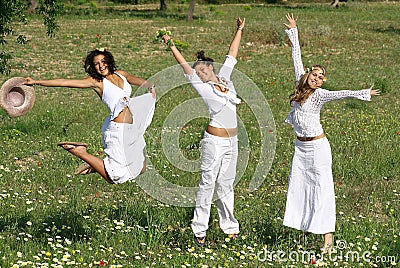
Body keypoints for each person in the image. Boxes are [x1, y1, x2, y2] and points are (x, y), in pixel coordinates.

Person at [282, 13, 380, 252]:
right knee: (300, 187)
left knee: (322, 188)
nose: (317, 79)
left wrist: (364, 93)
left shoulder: (320, 95)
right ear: (308, 74)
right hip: (300, 148)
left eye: (321, 78)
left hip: (317, 148)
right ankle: (304, 230)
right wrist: (294, 31)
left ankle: (328, 241)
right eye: (315, 75)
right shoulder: (299, 83)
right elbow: (296, 56)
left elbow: (341, 93)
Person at [161, 17, 245, 246]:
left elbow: (232, 55)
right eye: (197, 72)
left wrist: (239, 29)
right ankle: (200, 230)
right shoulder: (203, 87)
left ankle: (230, 227)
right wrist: (171, 44)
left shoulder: (226, 78)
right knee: (208, 182)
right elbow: (184, 67)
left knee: (226, 184)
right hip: (214, 141)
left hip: (233, 141)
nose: (199, 73)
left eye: (202, 70)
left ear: (210, 68)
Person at [24, 48, 156, 184]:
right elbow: (66, 82)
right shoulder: (97, 82)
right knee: (114, 177)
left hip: (132, 129)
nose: (101, 66)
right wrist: (36, 82)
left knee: (141, 167)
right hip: (118, 129)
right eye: (96, 64)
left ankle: (96, 166)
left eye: (103, 61)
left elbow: (136, 80)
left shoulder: (121, 74)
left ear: (109, 62)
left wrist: (149, 85)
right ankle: (80, 152)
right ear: (93, 67)